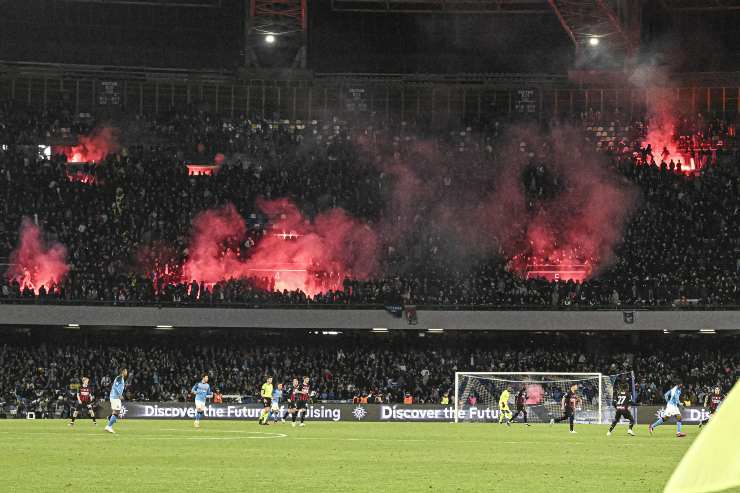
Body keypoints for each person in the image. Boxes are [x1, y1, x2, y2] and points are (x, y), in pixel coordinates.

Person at [105, 368, 128, 434]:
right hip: (115, 397)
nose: (127, 372)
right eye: (126, 371)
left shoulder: (121, 378)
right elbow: (115, 386)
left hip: (115, 397)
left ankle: (110, 418)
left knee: (116, 411)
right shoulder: (119, 378)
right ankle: (109, 426)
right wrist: (119, 395)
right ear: (123, 371)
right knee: (117, 411)